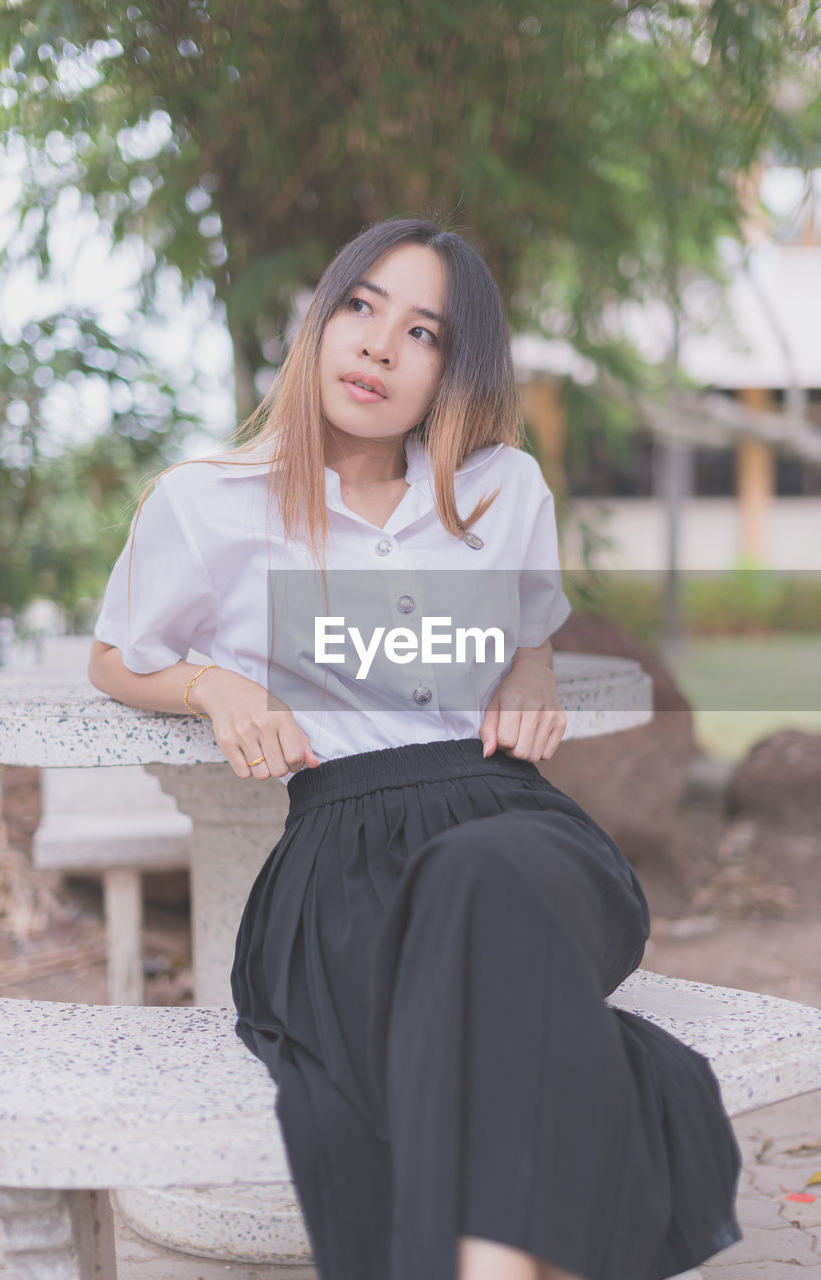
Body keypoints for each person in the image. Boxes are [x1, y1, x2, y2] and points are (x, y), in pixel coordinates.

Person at [88, 217, 741, 1280]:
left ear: (455, 366)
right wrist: (213, 682)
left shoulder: (500, 489)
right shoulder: (207, 503)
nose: (380, 344)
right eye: (360, 306)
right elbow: (115, 657)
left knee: (482, 873)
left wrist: (528, 672)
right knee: (487, 996)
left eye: (423, 329)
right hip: (338, 854)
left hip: (512, 819)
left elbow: (530, 631)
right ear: (321, 322)